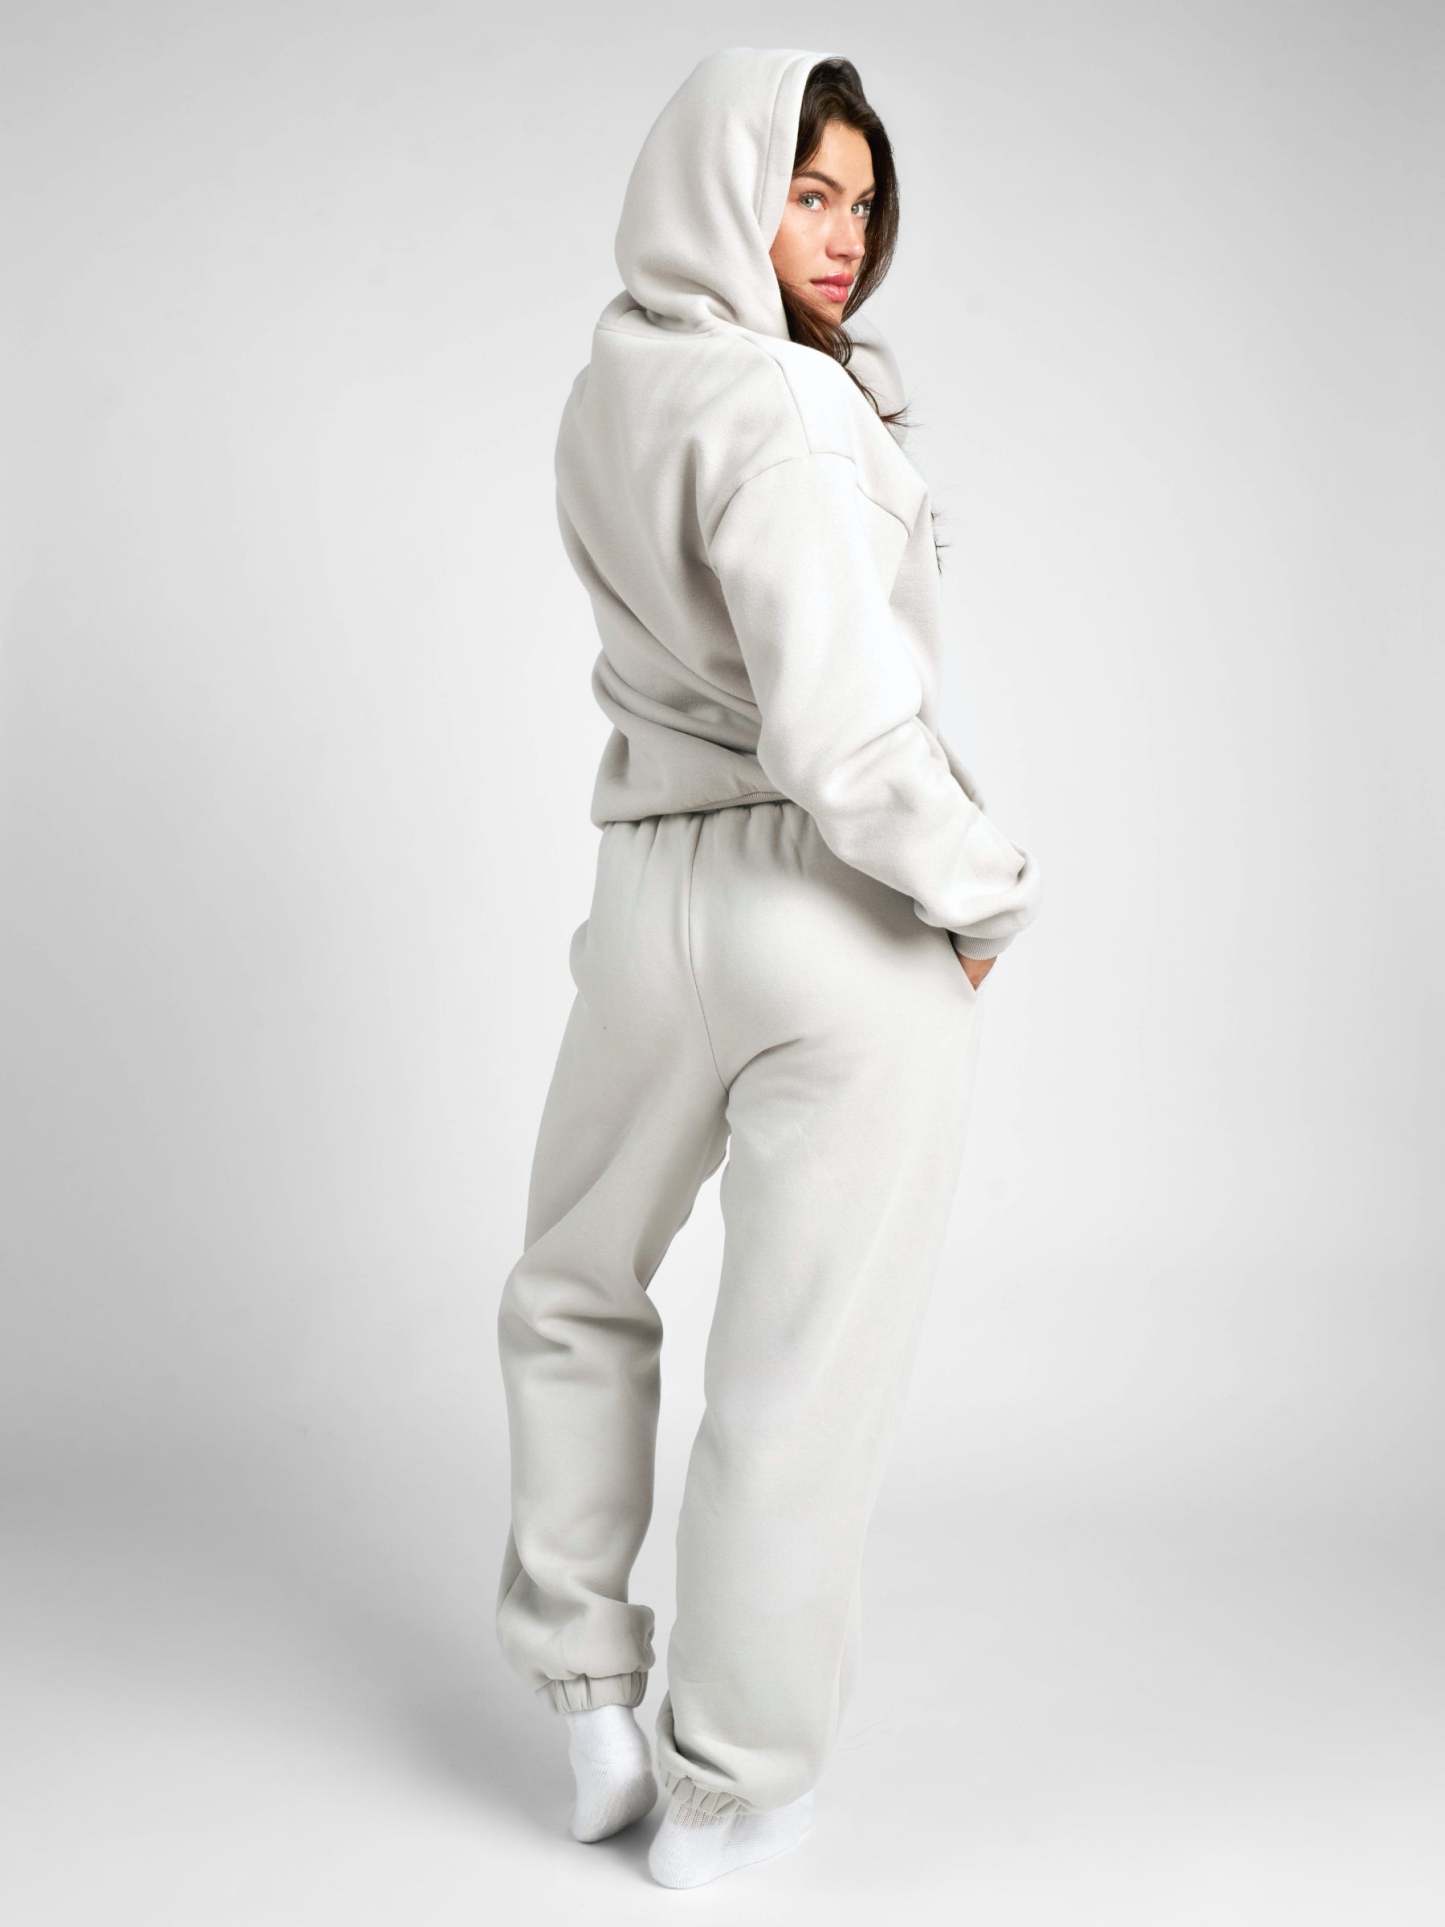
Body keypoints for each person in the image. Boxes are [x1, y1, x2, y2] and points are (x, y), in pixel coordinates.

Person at [494, 45, 1043, 1889]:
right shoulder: (790, 408)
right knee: (798, 1371)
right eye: (807, 190)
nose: (843, 234)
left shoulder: (606, 388)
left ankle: (586, 1700)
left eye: (862, 202)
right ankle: (727, 1787)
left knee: (572, 1286)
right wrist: (982, 897)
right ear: (725, 184)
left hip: (648, 896)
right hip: (828, 907)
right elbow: (841, 731)